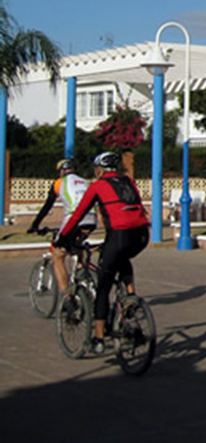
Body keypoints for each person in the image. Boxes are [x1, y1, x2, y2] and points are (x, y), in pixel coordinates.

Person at [57, 151, 150, 354]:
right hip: (142, 235)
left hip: (119, 235)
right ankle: (131, 297)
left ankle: (98, 339)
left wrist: (62, 237)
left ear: (99, 170)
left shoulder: (98, 186)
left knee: (103, 286)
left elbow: (78, 214)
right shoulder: (128, 181)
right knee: (122, 257)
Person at [27, 158, 97, 293]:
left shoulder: (59, 183)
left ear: (62, 171)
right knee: (76, 245)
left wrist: (34, 225)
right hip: (91, 219)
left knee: (58, 255)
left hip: (73, 218)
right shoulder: (85, 182)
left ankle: (66, 296)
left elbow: (47, 206)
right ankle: (81, 272)